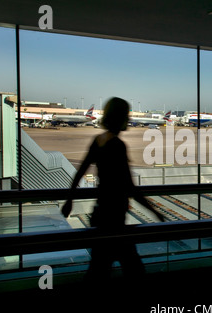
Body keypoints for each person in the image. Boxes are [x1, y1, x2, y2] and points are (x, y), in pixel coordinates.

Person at [61, 97, 164, 289]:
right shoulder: (117, 145)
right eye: (126, 115)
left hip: (100, 215)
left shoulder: (98, 140)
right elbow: (130, 187)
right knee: (132, 270)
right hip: (114, 220)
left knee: (99, 269)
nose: (129, 118)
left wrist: (69, 200)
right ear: (119, 117)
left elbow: (80, 172)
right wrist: (155, 212)